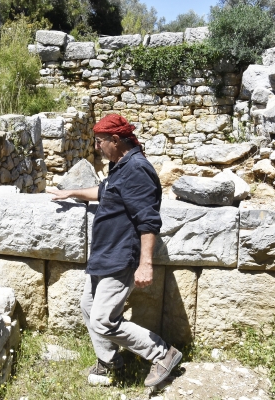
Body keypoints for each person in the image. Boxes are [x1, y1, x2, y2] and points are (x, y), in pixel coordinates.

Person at [47, 114, 182, 389]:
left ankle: (163, 354)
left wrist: (145, 264)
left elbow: (148, 220)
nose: (97, 147)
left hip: (121, 256)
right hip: (104, 254)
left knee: (104, 320)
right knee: (88, 307)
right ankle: (109, 362)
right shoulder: (120, 165)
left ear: (116, 140)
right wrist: (70, 192)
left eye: (99, 141)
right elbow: (104, 191)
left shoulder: (137, 170)